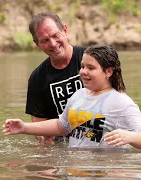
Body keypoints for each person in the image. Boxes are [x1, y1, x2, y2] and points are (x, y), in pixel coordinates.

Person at [3, 44, 141, 149]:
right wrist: (24, 128)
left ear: (108, 71)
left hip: (104, 170)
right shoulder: (78, 95)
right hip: (77, 171)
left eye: (90, 68)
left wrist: (129, 137)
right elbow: (61, 127)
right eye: (82, 66)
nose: (83, 72)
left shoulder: (121, 102)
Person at [26, 12, 86, 144]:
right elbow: (38, 125)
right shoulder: (37, 78)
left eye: (55, 35)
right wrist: (46, 142)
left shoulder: (91, 59)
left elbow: (115, 98)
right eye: (45, 40)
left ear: (64, 30)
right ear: (37, 43)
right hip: (63, 144)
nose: (53, 44)